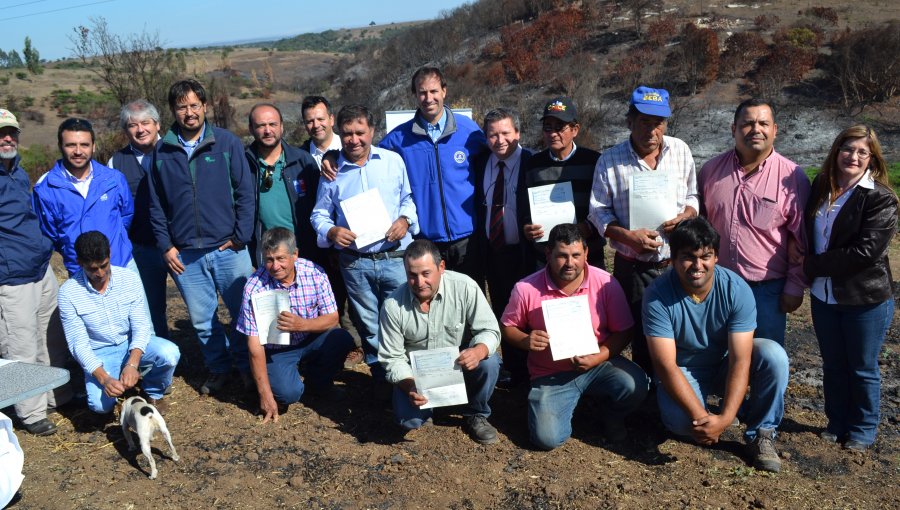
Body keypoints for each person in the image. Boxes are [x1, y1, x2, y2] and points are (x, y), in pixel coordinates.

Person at [643, 217, 789, 473]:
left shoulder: (736, 289)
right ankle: (711, 412)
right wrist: (703, 418)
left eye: (706, 256)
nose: (697, 265)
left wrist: (725, 419)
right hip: (683, 368)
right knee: (681, 423)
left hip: (723, 363)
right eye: (688, 257)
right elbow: (665, 365)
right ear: (673, 259)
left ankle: (761, 433)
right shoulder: (657, 295)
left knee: (773, 354)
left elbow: (740, 359)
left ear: (716, 257)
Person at [147, 79, 255, 394]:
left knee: (242, 314)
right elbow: (156, 206)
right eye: (182, 107)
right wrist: (166, 246)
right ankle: (219, 369)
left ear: (204, 107)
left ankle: (248, 368)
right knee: (202, 320)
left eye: (195, 105)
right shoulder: (161, 151)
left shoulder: (227, 143)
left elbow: (245, 194)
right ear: (173, 110)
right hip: (185, 255)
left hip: (229, 249)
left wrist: (240, 236)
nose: (189, 112)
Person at [501, 224, 648, 450]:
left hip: (599, 365)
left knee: (635, 385)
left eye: (576, 255)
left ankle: (610, 415)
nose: (570, 263)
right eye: (562, 256)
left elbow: (624, 330)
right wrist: (525, 341)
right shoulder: (526, 288)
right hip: (551, 374)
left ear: (586, 253)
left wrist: (598, 358)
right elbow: (508, 327)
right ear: (548, 253)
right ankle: (562, 408)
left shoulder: (605, 283)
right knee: (546, 439)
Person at [589, 86, 699, 377]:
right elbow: (598, 212)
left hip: (677, 264)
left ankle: (677, 395)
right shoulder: (610, 160)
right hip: (634, 267)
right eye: (644, 122)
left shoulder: (681, 151)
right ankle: (646, 398)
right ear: (629, 121)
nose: (652, 130)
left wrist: (686, 215)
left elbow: (693, 197)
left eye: (658, 123)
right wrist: (627, 237)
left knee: (680, 332)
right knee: (642, 334)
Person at [801, 125, 897, 452]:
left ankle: (863, 429)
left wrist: (809, 265)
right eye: (848, 149)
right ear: (836, 150)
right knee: (832, 363)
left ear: (872, 158)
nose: (853, 157)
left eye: (861, 152)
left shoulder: (879, 197)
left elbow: (865, 253)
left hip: (865, 299)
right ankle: (836, 422)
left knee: (862, 367)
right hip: (823, 296)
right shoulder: (820, 186)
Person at [311, 105, 418, 382]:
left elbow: (407, 199)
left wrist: (405, 220)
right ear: (340, 134)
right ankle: (383, 381)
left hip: (394, 257)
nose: (354, 140)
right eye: (347, 134)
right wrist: (332, 231)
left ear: (372, 131)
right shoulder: (332, 172)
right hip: (355, 263)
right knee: (370, 326)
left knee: (404, 319)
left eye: (360, 132)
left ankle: (408, 379)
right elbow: (319, 214)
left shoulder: (392, 161)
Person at [698, 98, 809, 344]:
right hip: (718, 286)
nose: (756, 129)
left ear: (775, 130)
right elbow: (701, 229)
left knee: (765, 359)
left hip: (767, 290)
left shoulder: (793, 177)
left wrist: (794, 286)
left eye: (763, 123)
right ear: (733, 129)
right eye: (747, 124)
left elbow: (800, 237)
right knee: (719, 358)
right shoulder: (710, 171)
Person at [379, 239, 501, 444]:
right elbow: (391, 358)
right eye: (412, 275)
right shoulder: (393, 305)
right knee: (409, 421)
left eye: (426, 274)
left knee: (489, 362)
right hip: (417, 375)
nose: (419, 282)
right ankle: (432, 407)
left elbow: (490, 330)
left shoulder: (465, 287)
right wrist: (409, 386)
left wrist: (478, 351)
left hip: (458, 366)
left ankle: (475, 413)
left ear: (441, 267)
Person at [377, 67, 488, 278]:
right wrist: (333, 157)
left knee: (469, 302)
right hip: (426, 241)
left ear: (444, 91)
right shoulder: (398, 139)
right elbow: (365, 156)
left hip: (468, 238)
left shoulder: (469, 131)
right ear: (415, 95)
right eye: (422, 92)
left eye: (434, 91)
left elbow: (499, 153)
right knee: (433, 305)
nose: (429, 98)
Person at [236, 227, 355, 423]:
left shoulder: (314, 272)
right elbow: (254, 346)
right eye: (269, 259)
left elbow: (333, 318)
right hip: (277, 349)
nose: (275, 266)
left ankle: (318, 383)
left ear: (295, 254)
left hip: (309, 337)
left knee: (341, 339)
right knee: (289, 394)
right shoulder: (254, 287)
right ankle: (283, 380)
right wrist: (265, 395)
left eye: (281, 258)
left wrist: (302, 325)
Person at [0, 109, 71, 436]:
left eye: (11, 132)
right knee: (22, 346)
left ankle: (57, 396)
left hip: (41, 269)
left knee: (52, 337)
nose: (7, 138)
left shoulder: (16, 171)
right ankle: (30, 413)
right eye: (1, 134)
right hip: (12, 278)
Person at [57, 231, 180, 414]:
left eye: (103, 266)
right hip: (100, 351)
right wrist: (104, 378)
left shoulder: (128, 278)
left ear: (109, 256)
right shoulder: (68, 293)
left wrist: (132, 362)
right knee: (100, 407)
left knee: (169, 353)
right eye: (92, 269)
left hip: (129, 342)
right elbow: (79, 345)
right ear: (80, 263)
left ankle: (153, 391)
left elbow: (141, 325)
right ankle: (116, 381)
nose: (99, 273)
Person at [472, 108, 532, 386]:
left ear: (517, 133)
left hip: (525, 253)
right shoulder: (481, 162)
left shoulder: (532, 162)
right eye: (493, 135)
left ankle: (530, 371)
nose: (500, 140)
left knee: (526, 312)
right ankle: (512, 369)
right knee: (501, 310)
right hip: (493, 252)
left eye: (506, 133)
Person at [33, 118, 134, 277]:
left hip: (122, 264)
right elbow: (50, 234)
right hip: (81, 270)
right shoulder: (45, 188)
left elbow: (126, 217)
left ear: (93, 146)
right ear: (61, 147)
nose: (78, 151)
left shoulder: (114, 179)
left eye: (84, 145)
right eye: (71, 145)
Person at [107, 99, 170, 338]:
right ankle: (162, 357)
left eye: (146, 123)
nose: (140, 129)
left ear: (157, 124)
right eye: (133, 125)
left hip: (178, 245)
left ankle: (216, 361)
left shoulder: (175, 151)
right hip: (142, 247)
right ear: (125, 130)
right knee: (150, 308)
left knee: (199, 308)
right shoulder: (116, 162)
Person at [519, 97, 605, 271]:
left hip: (588, 256)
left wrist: (589, 227)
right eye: (547, 128)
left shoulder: (594, 161)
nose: (552, 134)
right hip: (546, 258)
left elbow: (605, 206)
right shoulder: (533, 164)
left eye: (559, 127)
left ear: (575, 129)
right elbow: (525, 207)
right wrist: (527, 226)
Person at [245, 102, 322, 265]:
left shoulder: (303, 160)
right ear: (251, 129)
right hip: (268, 256)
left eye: (272, 124)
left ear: (281, 127)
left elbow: (322, 204)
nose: (267, 130)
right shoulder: (244, 164)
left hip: (305, 251)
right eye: (261, 125)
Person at [300, 96, 342, 168]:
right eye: (310, 121)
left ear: (331, 120)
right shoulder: (299, 158)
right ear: (305, 125)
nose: (316, 125)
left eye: (320, 119)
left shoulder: (350, 148)